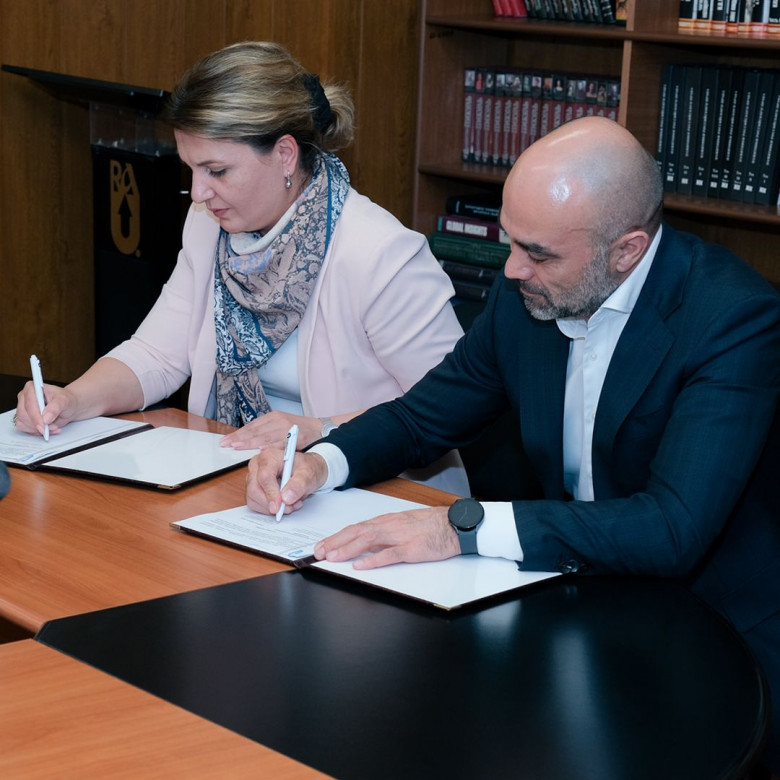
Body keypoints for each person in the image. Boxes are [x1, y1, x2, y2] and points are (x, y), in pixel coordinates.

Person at [246, 116, 780, 775]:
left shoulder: (732, 320)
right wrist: (320, 464)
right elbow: (422, 417)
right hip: (577, 591)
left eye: (539, 253)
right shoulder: (527, 292)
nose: (511, 268)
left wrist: (459, 528)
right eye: (510, 240)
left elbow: (672, 528)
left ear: (628, 251)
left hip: (714, 632)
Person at [14, 41, 468, 495]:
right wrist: (71, 399)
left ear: (285, 155)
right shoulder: (208, 225)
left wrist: (321, 428)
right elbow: (157, 354)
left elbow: (449, 407)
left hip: (378, 489)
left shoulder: (382, 255)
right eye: (191, 169)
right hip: (244, 477)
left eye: (217, 171)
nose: (198, 193)